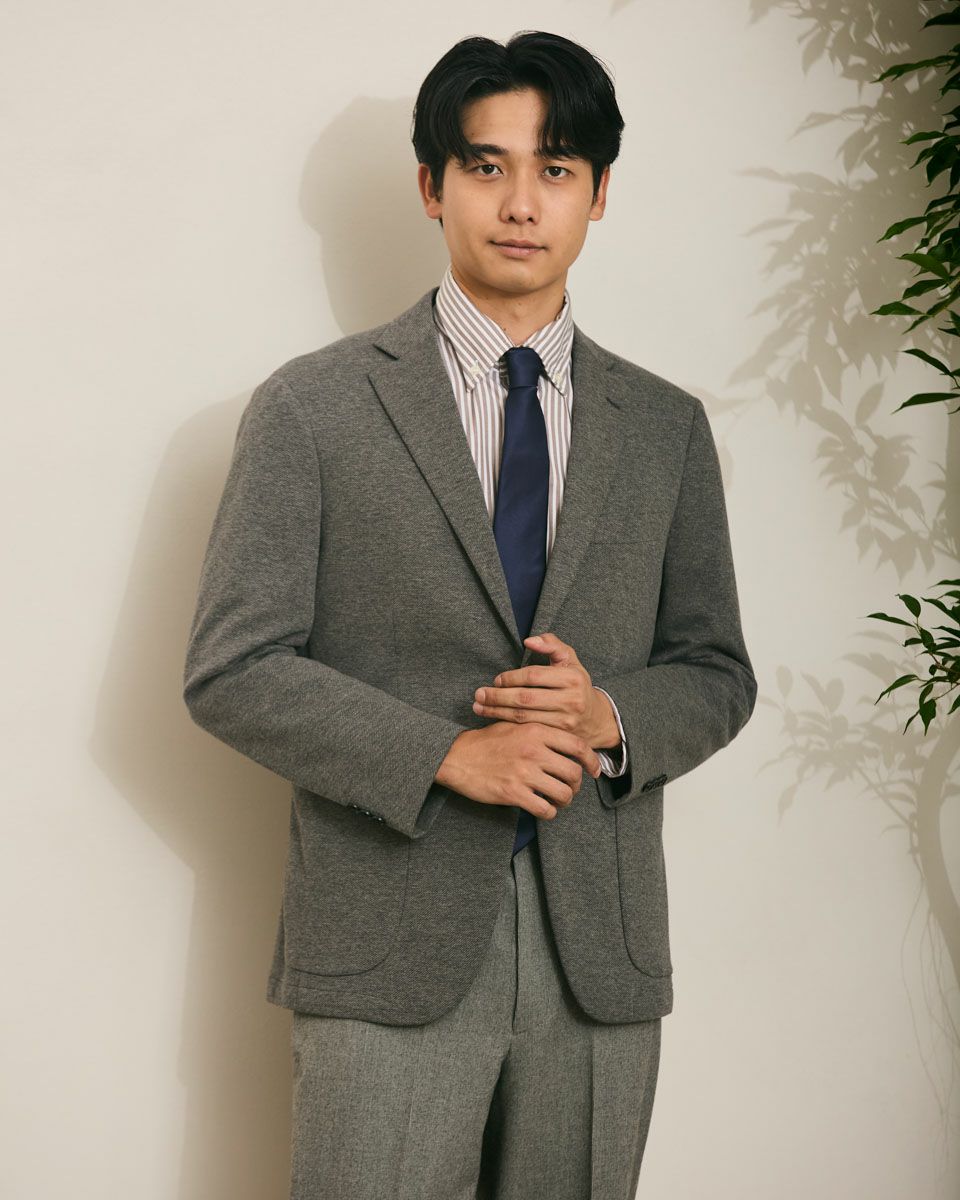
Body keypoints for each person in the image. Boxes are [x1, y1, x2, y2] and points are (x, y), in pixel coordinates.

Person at [182, 29, 757, 1200]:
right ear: (431, 185)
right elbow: (233, 666)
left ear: (599, 194)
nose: (521, 202)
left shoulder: (666, 428)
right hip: (384, 945)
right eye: (488, 166)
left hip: (597, 956)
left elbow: (715, 668)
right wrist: (446, 753)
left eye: (557, 169)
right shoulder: (313, 408)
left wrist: (608, 715)